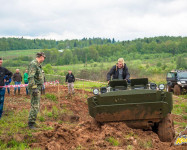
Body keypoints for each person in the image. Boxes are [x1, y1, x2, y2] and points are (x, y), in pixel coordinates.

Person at [28, 52, 46, 129]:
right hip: (34, 88)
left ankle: (33, 121)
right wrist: (34, 87)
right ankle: (31, 123)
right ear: (41, 57)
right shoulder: (34, 64)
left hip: (38, 87)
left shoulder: (38, 65)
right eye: (44, 57)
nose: (44, 59)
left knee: (36, 105)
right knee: (35, 105)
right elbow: (31, 77)